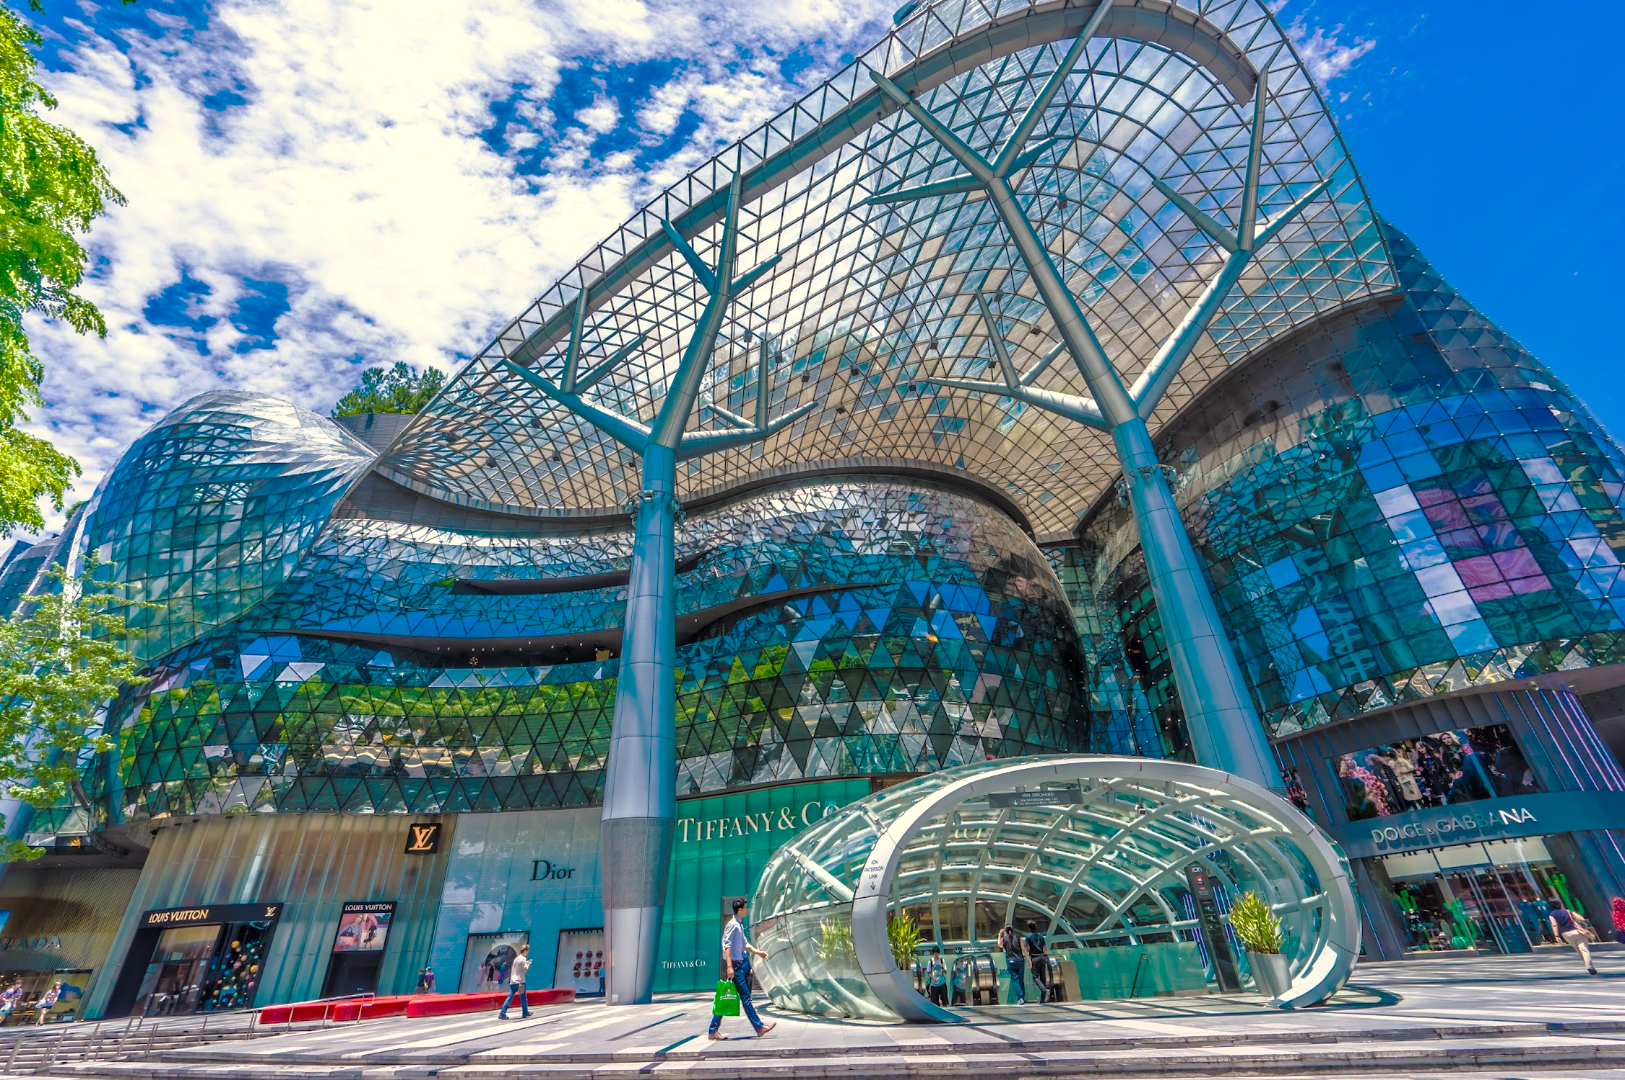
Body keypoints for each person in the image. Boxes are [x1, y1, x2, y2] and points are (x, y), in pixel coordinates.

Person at [708, 898, 774, 1041]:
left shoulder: (739, 925)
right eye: (745, 908)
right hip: (734, 966)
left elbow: (745, 944)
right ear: (739, 910)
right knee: (744, 997)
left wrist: (759, 953)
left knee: (728, 997)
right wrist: (729, 967)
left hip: (737, 965)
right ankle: (759, 1027)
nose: (747, 910)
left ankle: (713, 1030)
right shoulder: (732, 925)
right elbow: (726, 945)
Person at [1548, 902, 1598, 976]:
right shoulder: (1568, 911)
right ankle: (1590, 967)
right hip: (1577, 931)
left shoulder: (1552, 915)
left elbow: (1554, 925)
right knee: (1584, 950)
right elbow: (1581, 918)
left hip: (1566, 934)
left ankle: (1588, 965)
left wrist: (1557, 936)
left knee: (1578, 950)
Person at [498, 944, 531, 1018]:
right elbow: (524, 971)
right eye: (527, 951)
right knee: (523, 998)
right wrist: (528, 965)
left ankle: (502, 1012)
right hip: (520, 982)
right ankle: (525, 1013)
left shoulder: (516, 959)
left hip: (513, 982)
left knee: (509, 997)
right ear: (525, 951)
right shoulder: (523, 959)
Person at [998, 924, 1026, 1004]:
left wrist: (1000, 935)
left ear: (1006, 931)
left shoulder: (1005, 939)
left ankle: (1021, 997)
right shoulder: (1018, 938)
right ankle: (1023, 997)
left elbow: (999, 944)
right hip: (1020, 961)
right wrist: (1028, 959)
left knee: (1015, 980)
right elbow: (1023, 949)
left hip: (1010, 962)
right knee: (1021, 979)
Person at [1025, 921, 1051, 1004]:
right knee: (1043, 978)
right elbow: (1045, 947)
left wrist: (1027, 956)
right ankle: (1043, 999)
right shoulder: (1040, 936)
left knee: (1035, 977)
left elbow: (1028, 948)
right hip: (1042, 957)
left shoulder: (1028, 936)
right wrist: (1045, 957)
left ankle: (1045, 990)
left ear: (1028, 927)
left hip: (1034, 958)